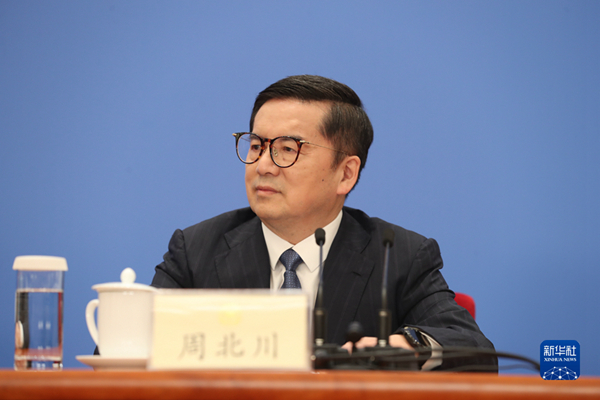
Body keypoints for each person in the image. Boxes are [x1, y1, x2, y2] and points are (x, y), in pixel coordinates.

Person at [151, 75, 496, 370]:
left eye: (288, 149)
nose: (263, 166)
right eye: (256, 145)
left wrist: (406, 346)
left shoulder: (399, 256)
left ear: (345, 174)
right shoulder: (196, 250)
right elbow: (132, 348)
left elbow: (473, 349)